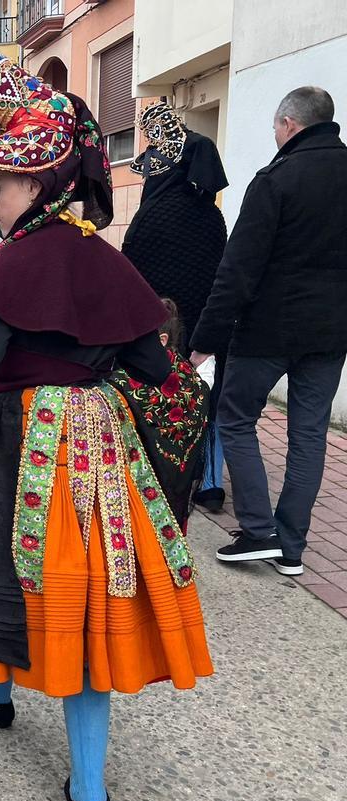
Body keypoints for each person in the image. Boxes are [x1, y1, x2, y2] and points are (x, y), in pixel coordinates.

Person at [0, 49, 213, 801]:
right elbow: (151, 367)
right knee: (89, 595)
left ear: (35, 184)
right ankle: (91, 792)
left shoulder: (18, 264)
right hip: (102, 446)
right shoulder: (105, 263)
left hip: (21, 443)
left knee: (2, 568)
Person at [190, 86, 347, 578]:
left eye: (276, 128)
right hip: (332, 332)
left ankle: (258, 531)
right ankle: (292, 546)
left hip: (268, 330)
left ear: (289, 125)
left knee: (235, 420)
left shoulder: (276, 179)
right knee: (309, 434)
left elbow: (237, 269)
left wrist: (205, 340)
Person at [121, 101, 229, 514]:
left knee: (159, 397)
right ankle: (210, 481)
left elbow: (132, 275)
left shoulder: (152, 214)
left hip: (158, 329)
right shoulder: (211, 217)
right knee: (204, 398)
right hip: (204, 327)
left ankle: (159, 469)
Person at [108, 297, 211, 531]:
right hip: (178, 491)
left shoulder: (127, 379)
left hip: (137, 494)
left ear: (161, 340)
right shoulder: (193, 380)